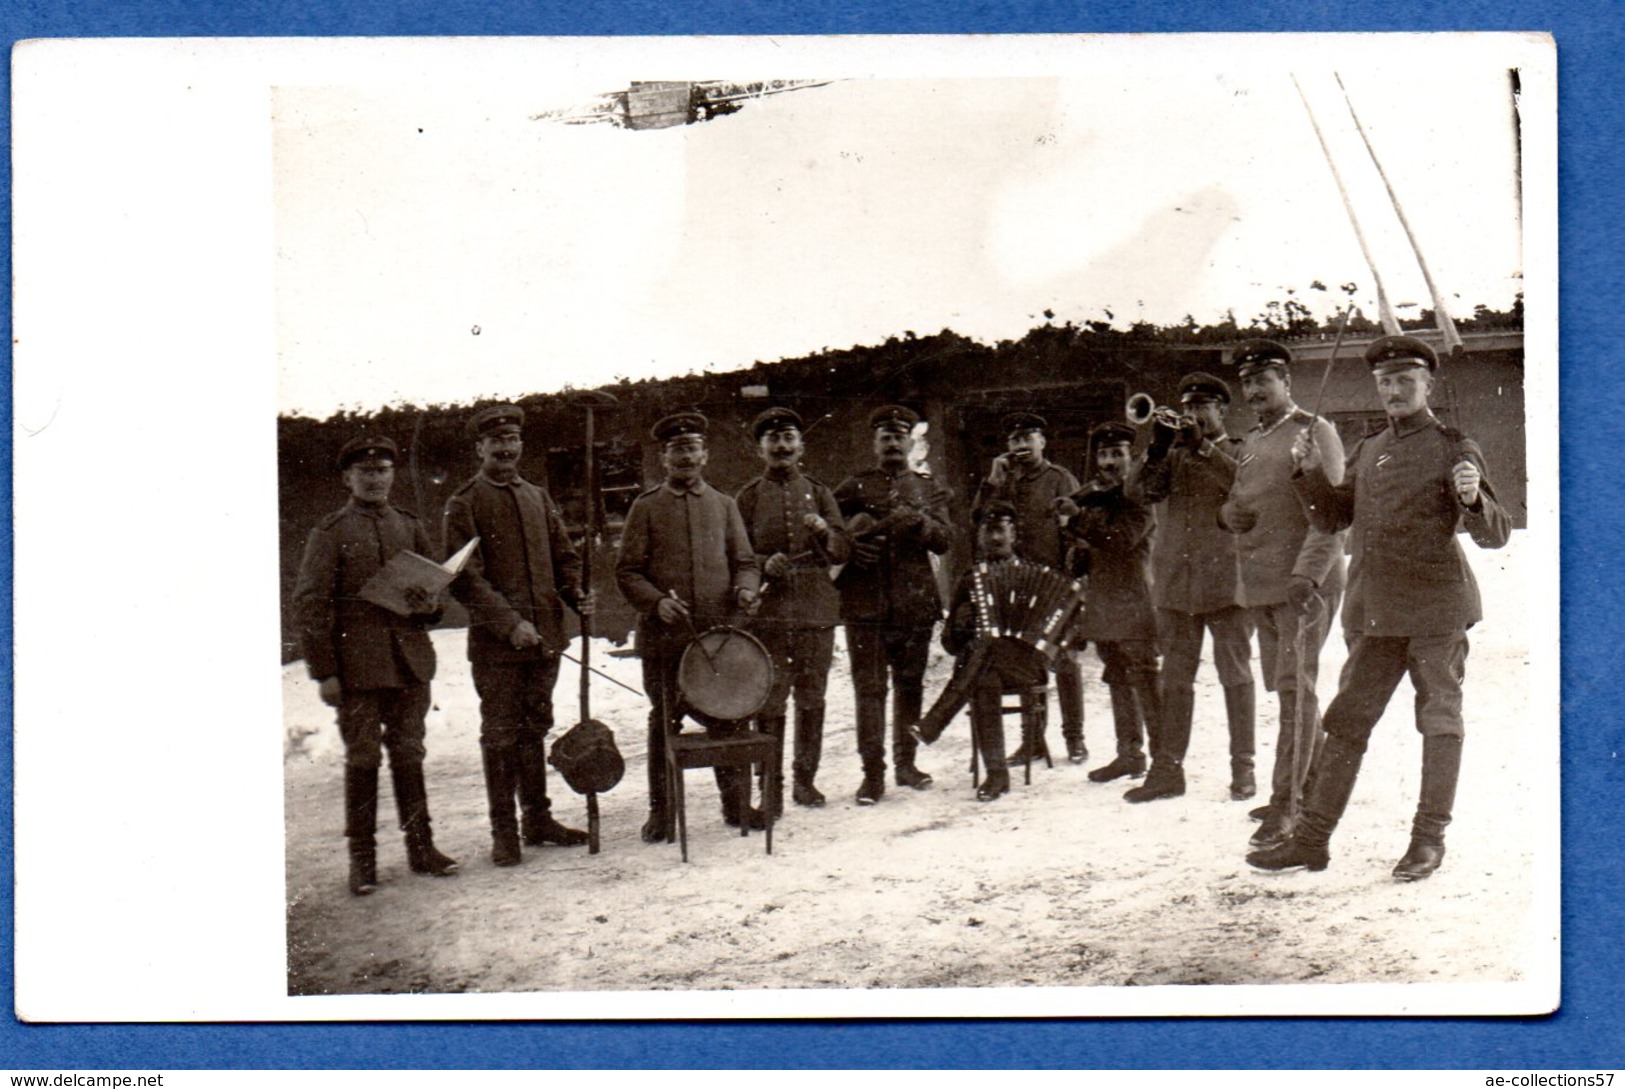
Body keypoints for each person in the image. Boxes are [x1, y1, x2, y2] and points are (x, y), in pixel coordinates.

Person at [1248, 335, 1512, 879]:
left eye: (1404, 381)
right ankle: (1312, 840)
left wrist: (1471, 499)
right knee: (1346, 721)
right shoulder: (1370, 447)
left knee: (1439, 718)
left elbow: (1496, 534)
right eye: (1385, 382)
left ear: (1427, 385)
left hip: (1436, 609)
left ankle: (1428, 840)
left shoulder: (1453, 444)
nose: (1393, 390)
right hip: (1377, 612)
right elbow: (1332, 518)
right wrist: (1307, 474)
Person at [293, 435, 459, 896]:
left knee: (410, 754)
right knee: (363, 758)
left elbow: (434, 595)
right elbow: (310, 604)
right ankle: (362, 862)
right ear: (348, 478)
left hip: (408, 664)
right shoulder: (331, 531)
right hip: (357, 669)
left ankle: (422, 848)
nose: (375, 478)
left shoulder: (408, 525)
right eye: (365, 472)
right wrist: (325, 671)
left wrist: (427, 603)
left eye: (383, 470)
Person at [444, 404, 591, 869]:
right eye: (496, 442)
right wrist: (510, 625)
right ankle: (504, 833)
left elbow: (563, 556)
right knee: (502, 735)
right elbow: (466, 578)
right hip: (497, 647)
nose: (506, 449)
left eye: (512, 441)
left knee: (535, 728)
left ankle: (538, 820)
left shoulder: (538, 498)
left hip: (545, 639)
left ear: (521, 445)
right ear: (480, 448)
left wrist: (577, 594)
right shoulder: (464, 503)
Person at [1218, 339, 1347, 849]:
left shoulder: (1315, 432)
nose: (1253, 391)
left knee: (1297, 690)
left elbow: (1332, 515)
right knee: (1289, 689)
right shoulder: (1251, 441)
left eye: (1263, 381)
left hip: (1301, 585)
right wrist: (1230, 514)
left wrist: (1307, 577)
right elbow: (1237, 500)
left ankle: (1288, 807)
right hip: (1262, 585)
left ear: (1286, 383)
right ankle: (1302, 788)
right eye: (1247, 383)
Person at [616, 411, 762, 841]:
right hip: (665, 640)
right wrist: (657, 602)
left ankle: (736, 805)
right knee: (664, 720)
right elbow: (627, 572)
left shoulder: (724, 504)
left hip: (719, 640)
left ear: (705, 454)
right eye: (676, 449)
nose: (685, 456)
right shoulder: (646, 507)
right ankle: (662, 812)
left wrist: (746, 589)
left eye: (692, 447)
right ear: (663, 458)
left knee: (729, 719)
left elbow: (746, 563)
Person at [1133, 373, 1256, 803]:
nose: (1192, 415)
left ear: (1221, 411)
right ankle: (1168, 769)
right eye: (1187, 408)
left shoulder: (1239, 449)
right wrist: (1158, 448)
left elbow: (1245, 486)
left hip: (1226, 582)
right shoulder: (1171, 456)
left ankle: (1244, 768)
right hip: (1176, 585)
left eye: (1202, 407)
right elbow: (1139, 494)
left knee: (1235, 675)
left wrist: (1203, 447)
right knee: (1175, 679)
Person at [834, 405, 953, 805]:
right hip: (865, 608)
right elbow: (830, 534)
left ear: (910, 442)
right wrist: (852, 548)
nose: (892, 444)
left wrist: (919, 525)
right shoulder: (854, 486)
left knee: (909, 687)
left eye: (899, 437)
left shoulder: (926, 488)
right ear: (874, 444)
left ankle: (906, 764)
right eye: (884, 437)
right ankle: (872, 775)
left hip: (914, 606)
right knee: (869, 691)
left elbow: (946, 539)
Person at [735, 406, 850, 810]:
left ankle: (805, 781)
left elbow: (842, 549)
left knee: (812, 698)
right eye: (773, 440)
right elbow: (737, 555)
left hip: (815, 613)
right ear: (759, 449)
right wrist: (765, 560)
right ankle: (771, 787)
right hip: (770, 615)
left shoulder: (819, 492)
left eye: (789, 439)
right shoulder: (747, 498)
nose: (782, 446)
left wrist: (824, 530)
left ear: (801, 446)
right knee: (770, 700)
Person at [973, 411, 1088, 765]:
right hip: (1017, 588)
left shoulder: (1059, 479)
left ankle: (1074, 739)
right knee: (1024, 660)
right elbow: (978, 523)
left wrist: (1076, 581)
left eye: (1028, 437)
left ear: (1042, 441)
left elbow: (1079, 532)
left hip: (1056, 586)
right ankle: (1033, 740)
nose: (1021, 446)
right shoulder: (1003, 482)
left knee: (1065, 662)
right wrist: (992, 484)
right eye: (1014, 440)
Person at [1058, 422, 1161, 789]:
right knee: (1117, 678)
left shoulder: (1139, 496)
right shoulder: (1097, 497)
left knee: (1144, 679)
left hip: (1134, 600)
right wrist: (1077, 550)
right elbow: (1092, 547)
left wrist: (1079, 519)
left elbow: (1121, 540)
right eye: (1104, 454)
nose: (1110, 461)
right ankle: (1129, 754)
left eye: (1117, 453)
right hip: (1104, 602)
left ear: (1130, 456)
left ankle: (1165, 761)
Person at [941, 502, 1052, 802]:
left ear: (1013, 534)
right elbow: (949, 644)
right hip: (985, 670)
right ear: (978, 536)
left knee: (982, 667)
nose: (994, 539)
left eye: (1000, 530)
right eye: (987, 531)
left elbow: (1051, 637)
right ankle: (997, 773)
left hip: (1024, 667)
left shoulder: (1037, 575)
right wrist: (961, 626)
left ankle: (936, 720)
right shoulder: (969, 580)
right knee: (985, 675)